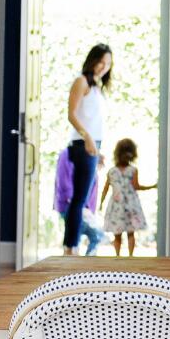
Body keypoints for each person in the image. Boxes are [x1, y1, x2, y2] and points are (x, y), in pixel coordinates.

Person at [64, 43, 112, 255]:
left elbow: (91, 120)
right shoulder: (81, 82)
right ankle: (70, 247)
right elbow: (72, 114)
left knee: (82, 199)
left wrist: (97, 148)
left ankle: (72, 246)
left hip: (91, 146)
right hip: (82, 145)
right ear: (92, 60)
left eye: (108, 63)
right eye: (101, 61)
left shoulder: (95, 87)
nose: (104, 67)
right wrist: (88, 139)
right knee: (79, 199)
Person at [99, 138, 154, 257]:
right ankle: (130, 256)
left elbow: (105, 189)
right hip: (130, 205)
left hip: (116, 205)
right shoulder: (132, 170)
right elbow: (136, 186)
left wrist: (101, 203)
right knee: (130, 232)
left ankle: (118, 256)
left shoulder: (112, 171)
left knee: (117, 233)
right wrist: (153, 186)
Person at [53, 147, 106, 255]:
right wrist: (71, 201)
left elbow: (91, 197)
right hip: (70, 205)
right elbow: (63, 180)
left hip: (83, 210)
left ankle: (83, 263)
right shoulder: (67, 154)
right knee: (90, 236)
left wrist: (90, 212)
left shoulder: (93, 171)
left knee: (79, 238)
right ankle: (80, 263)